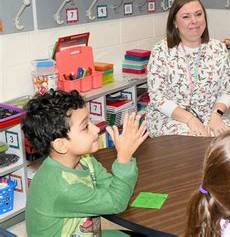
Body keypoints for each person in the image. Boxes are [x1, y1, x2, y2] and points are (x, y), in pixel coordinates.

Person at [23, 90, 148, 236]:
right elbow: (116, 203)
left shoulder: (84, 159)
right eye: (85, 127)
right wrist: (124, 158)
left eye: (90, 122)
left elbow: (111, 188)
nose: (96, 129)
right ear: (61, 145)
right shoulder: (63, 186)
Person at [146, 0, 230, 137]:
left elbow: (227, 90)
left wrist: (216, 115)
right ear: (174, 22)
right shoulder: (161, 51)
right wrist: (191, 120)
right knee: (191, 141)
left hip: (210, 115)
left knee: (225, 140)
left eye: (198, 14)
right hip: (170, 118)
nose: (194, 21)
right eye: (186, 17)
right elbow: (158, 97)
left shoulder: (218, 49)